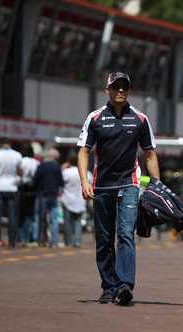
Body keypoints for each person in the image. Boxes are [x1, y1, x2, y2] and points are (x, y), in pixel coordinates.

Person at [77, 72, 160, 305]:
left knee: (125, 234)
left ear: (129, 90)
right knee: (104, 239)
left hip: (130, 185)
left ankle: (124, 285)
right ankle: (108, 286)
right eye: (116, 86)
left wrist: (157, 187)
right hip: (102, 186)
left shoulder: (140, 119)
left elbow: (150, 154)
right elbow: (83, 151)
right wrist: (84, 181)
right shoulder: (94, 118)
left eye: (124, 87)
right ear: (108, 90)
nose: (120, 90)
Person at [0, 138, 22, 247]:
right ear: (10, 143)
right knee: (12, 216)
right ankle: (12, 241)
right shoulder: (17, 155)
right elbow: (20, 172)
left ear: (0, 144)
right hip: (12, 188)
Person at [33, 148, 64, 248]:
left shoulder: (42, 166)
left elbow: (35, 180)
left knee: (38, 217)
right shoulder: (56, 167)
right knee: (54, 218)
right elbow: (61, 182)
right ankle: (54, 241)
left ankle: (37, 239)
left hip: (42, 194)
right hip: (53, 194)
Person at [61, 154, 92, 247]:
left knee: (68, 221)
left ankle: (68, 241)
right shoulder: (87, 173)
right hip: (80, 200)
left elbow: (60, 182)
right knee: (78, 222)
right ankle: (78, 241)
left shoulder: (66, 172)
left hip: (67, 199)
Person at [18, 143, 40, 246]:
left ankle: (20, 238)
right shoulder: (36, 162)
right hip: (33, 190)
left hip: (22, 189)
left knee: (20, 214)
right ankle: (26, 238)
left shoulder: (21, 161)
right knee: (29, 215)